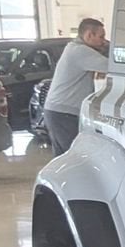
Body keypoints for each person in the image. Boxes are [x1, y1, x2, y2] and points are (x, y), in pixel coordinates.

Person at [44, 17, 106, 154]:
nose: (103, 41)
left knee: (63, 157)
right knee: (73, 156)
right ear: (89, 35)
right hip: (64, 114)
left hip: (58, 112)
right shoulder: (80, 51)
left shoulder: (73, 48)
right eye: (101, 37)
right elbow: (112, 67)